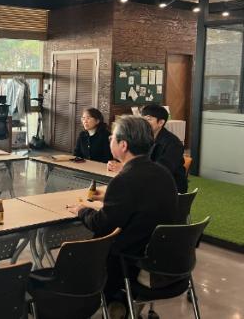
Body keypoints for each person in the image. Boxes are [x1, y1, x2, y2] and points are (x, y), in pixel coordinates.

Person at [68, 116, 177, 317]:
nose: (110, 140)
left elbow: (101, 224)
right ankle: (119, 304)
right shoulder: (162, 173)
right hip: (163, 259)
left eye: (112, 138)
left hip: (129, 261)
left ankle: (101, 302)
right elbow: (142, 201)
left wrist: (82, 210)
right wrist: (109, 197)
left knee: (74, 254)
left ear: (123, 145)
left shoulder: (125, 179)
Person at [107, 104, 187, 193]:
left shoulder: (174, 143)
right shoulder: (143, 137)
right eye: (142, 119)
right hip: (146, 183)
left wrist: (127, 168)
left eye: (148, 119)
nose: (144, 123)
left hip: (170, 189)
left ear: (161, 122)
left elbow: (161, 170)